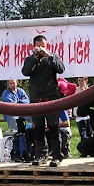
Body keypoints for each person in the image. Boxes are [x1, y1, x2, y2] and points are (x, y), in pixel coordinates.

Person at [22, 35, 65, 167]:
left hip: (51, 98)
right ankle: (41, 155)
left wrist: (49, 56)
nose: (41, 49)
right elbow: (25, 72)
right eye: (38, 46)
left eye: (43, 46)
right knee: (38, 129)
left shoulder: (53, 57)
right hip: (36, 99)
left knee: (53, 128)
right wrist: (35, 58)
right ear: (33, 47)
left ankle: (57, 156)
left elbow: (61, 69)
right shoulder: (30, 59)